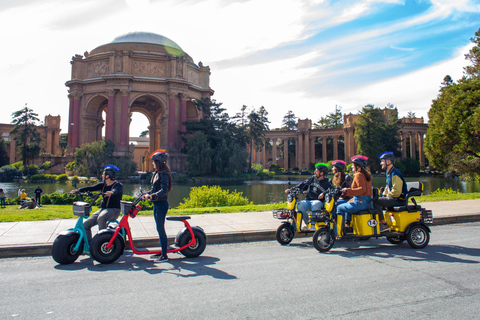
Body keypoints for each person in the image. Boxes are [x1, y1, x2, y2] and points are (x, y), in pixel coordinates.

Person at [70, 165, 123, 244]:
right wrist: (78, 190)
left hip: (114, 210)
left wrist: (111, 192)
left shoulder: (118, 185)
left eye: (103, 174)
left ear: (107, 176)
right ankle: (91, 245)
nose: (102, 175)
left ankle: (102, 242)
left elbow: (116, 190)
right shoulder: (103, 185)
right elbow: (91, 188)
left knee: (101, 218)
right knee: (85, 225)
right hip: (102, 210)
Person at [144, 150, 173, 263]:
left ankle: (164, 255)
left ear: (158, 162)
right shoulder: (157, 173)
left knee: (161, 229)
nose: (152, 164)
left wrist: (153, 196)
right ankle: (163, 251)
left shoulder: (164, 173)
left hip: (161, 204)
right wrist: (147, 194)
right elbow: (154, 189)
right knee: (159, 228)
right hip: (157, 204)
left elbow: (164, 189)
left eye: (154, 162)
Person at [285, 163, 332, 228]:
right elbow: (302, 185)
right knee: (300, 204)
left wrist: (324, 194)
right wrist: (291, 189)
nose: (314, 172)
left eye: (317, 171)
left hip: (318, 202)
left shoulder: (327, 183)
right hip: (308, 200)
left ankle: (313, 225)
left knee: (316, 204)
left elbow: (331, 191)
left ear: (322, 173)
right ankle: (308, 223)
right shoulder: (312, 179)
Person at [336, 155, 372, 234]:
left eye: (353, 165)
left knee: (339, 207)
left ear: (357, 166)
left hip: (360, 202)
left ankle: (339, 232)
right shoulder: (365, 175)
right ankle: (347, 225)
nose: (352, 167)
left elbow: (362, 190)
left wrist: (347, 190)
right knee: (347, 203)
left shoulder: (358, 175)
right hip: (367, 202)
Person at [374, 152, 408, 230]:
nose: (381, 163)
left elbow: (396, 192)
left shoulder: (395, 173)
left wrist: (386, 196)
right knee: (377, 199)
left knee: (375, 201)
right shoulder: (389, 173)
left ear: (388, 162)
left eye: (382, 161)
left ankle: (382, 223)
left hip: (399, 200)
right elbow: (387, 187)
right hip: (393, 198)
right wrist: (383, 195)